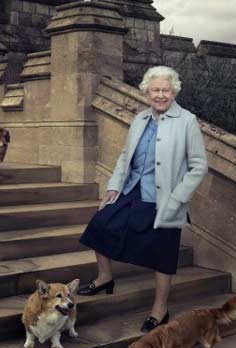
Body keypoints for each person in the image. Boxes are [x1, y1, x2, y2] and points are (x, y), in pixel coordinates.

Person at [78, 65, 208, 333]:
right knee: (99, 226)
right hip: (133, 190)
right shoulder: (140, 119)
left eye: (165, 90)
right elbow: (126, 156)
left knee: (163, 255)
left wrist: (178, 198)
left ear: (174, 92)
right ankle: (105, 278)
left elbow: (199, 166)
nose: (160, 95)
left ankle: (160, 310)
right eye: (155, 90)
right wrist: (114, 186)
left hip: (165, 200)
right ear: (147, 92)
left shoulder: (187, 121)